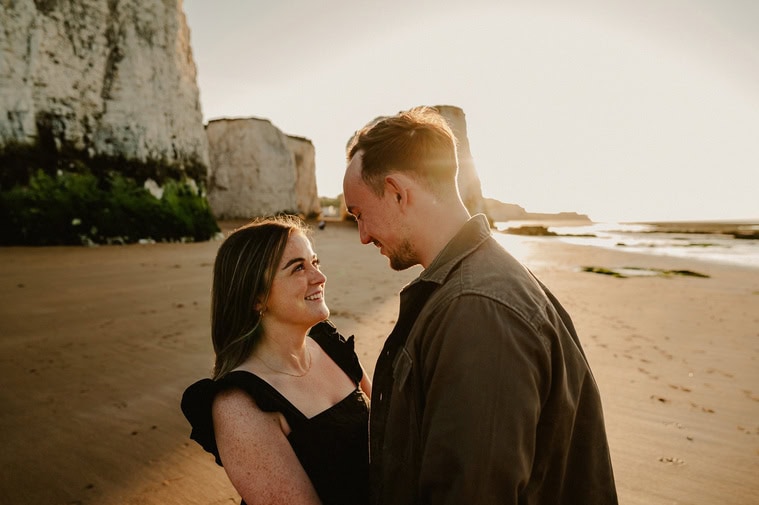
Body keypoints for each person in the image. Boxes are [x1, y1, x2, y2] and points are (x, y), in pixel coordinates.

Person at [343, 107, 618, 505]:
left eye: (360, 214)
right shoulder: (480, 283)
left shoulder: (477, 309)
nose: (364, 236)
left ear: (397, 192)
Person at [181, 215, 371, 505]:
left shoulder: (331, 345)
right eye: (298, 268)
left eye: (315, 262)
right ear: (257, 298)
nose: (320, 278)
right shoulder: (240, 405)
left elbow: (392, 428)